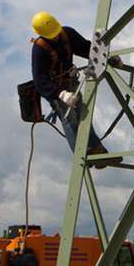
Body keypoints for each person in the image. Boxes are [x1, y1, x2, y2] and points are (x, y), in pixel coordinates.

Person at [30, 11, 120, 165]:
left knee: (83, 114)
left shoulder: (67, 34)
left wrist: (109, 59)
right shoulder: (39, 49)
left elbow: (88, 50)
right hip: (55, 89)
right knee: (69, 119)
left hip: (70, 82)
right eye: (51, 35)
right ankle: (83, 155)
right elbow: (39, 81)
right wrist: (61, 94)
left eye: (56, 33)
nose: (56, 36)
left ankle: (97, 151)